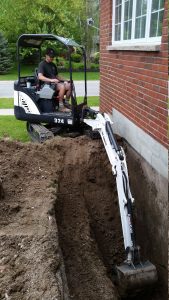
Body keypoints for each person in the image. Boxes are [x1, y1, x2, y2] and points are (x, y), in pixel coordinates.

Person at [38, 48, 71, 112]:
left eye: (53, 57)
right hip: (47, 85)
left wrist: (66, 80)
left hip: (55, 83)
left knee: (70, 85)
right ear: (46, 55)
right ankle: (61, 107)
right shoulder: (42, 64)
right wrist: (51, 80)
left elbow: (57, 76)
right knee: (62, 86)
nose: (52, 58)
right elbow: (40, 77)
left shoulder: (53, 64)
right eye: (50, 57)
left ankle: (66, 103)